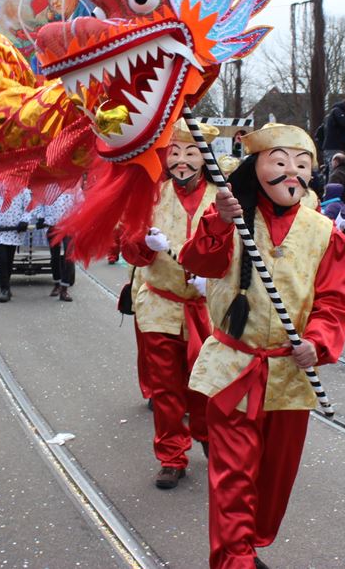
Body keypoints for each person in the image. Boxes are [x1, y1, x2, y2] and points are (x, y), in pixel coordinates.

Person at [180, 123, 345, 569]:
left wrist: (318, 342)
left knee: (274, 483)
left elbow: (335, 301)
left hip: (290, 376)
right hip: (234, 369)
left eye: (302, 164)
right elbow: (198, 262)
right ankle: (234, 557)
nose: (291, 173)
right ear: (256, 168)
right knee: (233, 478)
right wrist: (219, 221)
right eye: (279, 162)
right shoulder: (231, 216)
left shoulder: (326, 233)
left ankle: (248, 542)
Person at [121, 119, 219, 488]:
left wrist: (214, 278)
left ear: (204, 156)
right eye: (175, 152)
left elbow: (240, 250)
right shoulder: (151, 196)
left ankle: (206, 436)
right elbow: (128, 248)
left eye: (191, 152)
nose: (182, 160)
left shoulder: (222, 199)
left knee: (206, 383)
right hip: (159, 307)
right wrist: (145, 244)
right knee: (165, 388)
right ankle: (171, 456)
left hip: (208, 309)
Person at [37, 190, 78, 302]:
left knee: (69, 256)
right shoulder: (47, 188)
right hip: (52, 226)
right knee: (55, 256)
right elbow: (40, 204)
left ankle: (64, 289)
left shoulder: (73, 187)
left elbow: (81, 204)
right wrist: (41, 217)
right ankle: (57, 284)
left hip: (69, 226)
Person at [321, 97, 345, 165]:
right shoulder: (337, 111)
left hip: (337, 147)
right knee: (334, 168)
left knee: (338, 168)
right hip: (333, 147)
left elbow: (340, 131)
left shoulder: (339, 113)